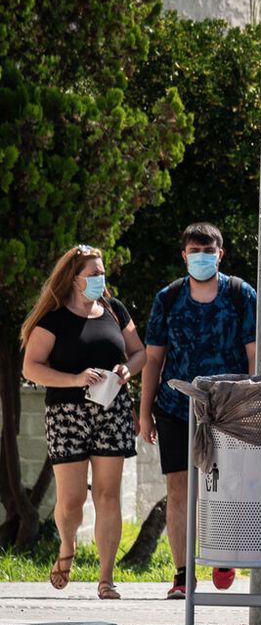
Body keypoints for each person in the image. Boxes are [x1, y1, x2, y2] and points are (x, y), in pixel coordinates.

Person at [20, 245, 147, 599]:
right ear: (74, 279)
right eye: (93, 274)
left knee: (108, 495)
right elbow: (31, 368)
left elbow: (140, 353)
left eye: (102, 273)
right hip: (67, 415)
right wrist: (75, 379)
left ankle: (106, 578)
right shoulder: (54, 318)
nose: (99, 280)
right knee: (72, 500)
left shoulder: (115, 310)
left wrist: (127, 369)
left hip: (112, 410)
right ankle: (67, 545)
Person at [137, 223, 256, 599]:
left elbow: (254, 353)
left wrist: (250, 403)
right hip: (175, 407)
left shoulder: (240, 294)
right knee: (178, 489)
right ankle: (182, 575)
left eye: (208, 251)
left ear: (220, 255)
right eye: (194, 251)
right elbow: (153, 359)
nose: (201, 257)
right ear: (184, 255)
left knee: (224, 486)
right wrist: (144, 412)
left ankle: (222, 553)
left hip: (227, 408)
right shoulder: (168, 298)